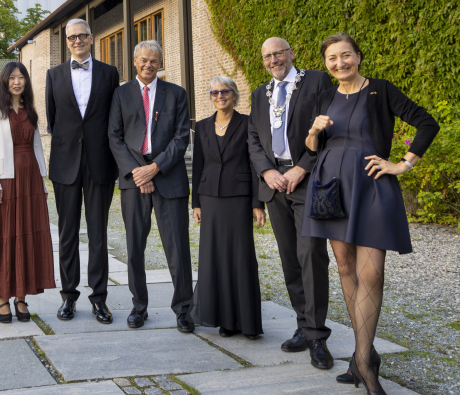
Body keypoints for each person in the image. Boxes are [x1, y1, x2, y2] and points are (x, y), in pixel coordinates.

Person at [303, 33, 438, 394]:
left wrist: (402, 165)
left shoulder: (380, 89)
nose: (339, 63)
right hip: (332, 188)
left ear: (359, 57)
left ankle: (363, 360)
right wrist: (314, 132)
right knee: (345, 267)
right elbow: (312, 147)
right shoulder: (325, 96)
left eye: (345, 56)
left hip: (371, 186)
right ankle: (364, 354)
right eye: (332, 58)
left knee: (372, 273)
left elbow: (427, 122)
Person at [247, 37, 335, 370]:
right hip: (275, 185)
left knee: (311, 254)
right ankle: (302, 324)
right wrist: (267, 172)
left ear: (291, 53)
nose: (273, 60)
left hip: (307, 180)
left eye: (278, 54)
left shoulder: (315, 81)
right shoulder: (259, 95)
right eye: (267, 56)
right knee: (289, 260)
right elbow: (253, 140)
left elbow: (328, 128)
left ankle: (317, 337)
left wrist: (303, 167)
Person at [108, 40, 194, 332]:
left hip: (168, 177)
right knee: (134, 247)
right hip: (134, 181)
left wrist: (154, 168)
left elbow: (182, 137)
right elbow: (114, 137)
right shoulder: (120, 94)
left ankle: (184, 309)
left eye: (154, 60)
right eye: (143, 60)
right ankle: (138, 306)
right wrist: (137, 172)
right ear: (134, 61)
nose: (148, 65)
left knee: (178, 247)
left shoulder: (177, 94)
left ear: (161, 63)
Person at [45, 19, 119, 324]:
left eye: (82, 36)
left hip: (100, 162)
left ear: (91, 38)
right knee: (67, 233)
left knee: (99, 233)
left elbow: (115, 118)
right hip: (66, 164)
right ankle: (68, 297)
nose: (77, 41)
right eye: (71, 37)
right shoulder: (54, 75)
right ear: (67, 42)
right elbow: (53, 119)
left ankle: (99, 299)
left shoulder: (110, 73)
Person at [0, 62, 55, 322]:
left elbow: (36, 148)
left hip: (31, 180)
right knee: (6, 236)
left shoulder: (31, 111)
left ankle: (22, 297)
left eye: (21, 77)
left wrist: (42, 182)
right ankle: (3, 298)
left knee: (28, 236)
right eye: (12, 78)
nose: (17, 82)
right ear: (4, 81)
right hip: (7, 180)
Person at [191, 76, 266, 339]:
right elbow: (198, 166)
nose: (219, 96)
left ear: (233, 95)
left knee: (241, 257)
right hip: (209, 198)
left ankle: (246, 322)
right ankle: (223, 319)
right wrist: (196, 203)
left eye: (224, 91)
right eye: (214, 92)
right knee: (214, 258)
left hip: (239, 198)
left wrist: (258, 204)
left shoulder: (248, 124)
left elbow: (256, 165)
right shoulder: (201, 127)